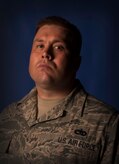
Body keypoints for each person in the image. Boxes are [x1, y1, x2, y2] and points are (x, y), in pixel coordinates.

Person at [0, 16, 119, 164]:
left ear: (76, 62)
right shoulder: (7, 117)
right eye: (40, 46)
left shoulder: (108, 123)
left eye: (59, 47)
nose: (46, 53)